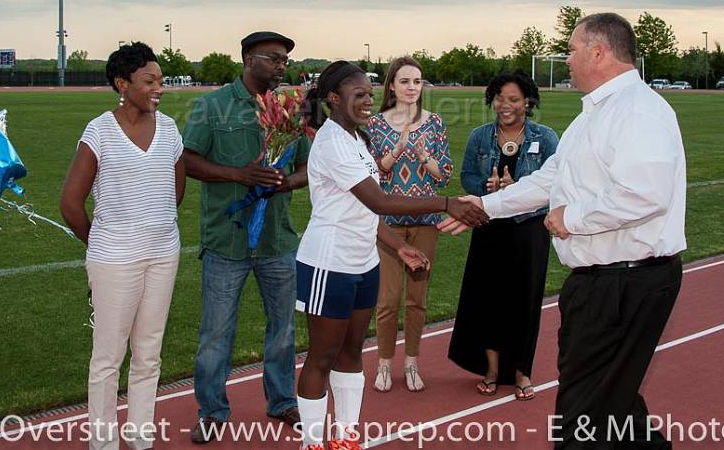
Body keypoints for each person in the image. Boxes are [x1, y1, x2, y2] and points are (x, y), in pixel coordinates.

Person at [441, 13, 686, 450]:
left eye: (571, 50)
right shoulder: (592, 116)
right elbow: (548, 180)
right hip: (603, 282)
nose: (566, 59)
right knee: (615, 403)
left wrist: (570, 219)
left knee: (581, 414)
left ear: (599, 52)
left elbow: (647, 194)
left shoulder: (639, 111)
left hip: (625, 282)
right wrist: (484, 207)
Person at [294, 61, 488, 450]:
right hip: (328, 263)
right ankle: (312, 442)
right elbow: (380, 201)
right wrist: (446, 202)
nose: (368, 100)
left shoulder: (357, 137)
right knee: (321, 356)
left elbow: (366, 210)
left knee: (351, 352)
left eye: (369, 92)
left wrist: (399, 246)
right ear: (334, 99)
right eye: (358, 94)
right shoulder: (331, 141)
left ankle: (345, 436)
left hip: (362, 261)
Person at [181, 31, 310, 443]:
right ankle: (212, 411)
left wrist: (283, 183)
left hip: (277, 240)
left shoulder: (289, 110)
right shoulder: (211, 106)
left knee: (283, 329)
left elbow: (309, 168)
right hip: (226, 241)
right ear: (248, 59)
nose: (281, 68)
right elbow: (187, 160)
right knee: (216, 332)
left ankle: (281, 400)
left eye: (285, 62)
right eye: (274, 59)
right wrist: (240, 175)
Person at [59, 42, 186, 450]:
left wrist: (154, 226)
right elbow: (70, 204)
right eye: (149, 81)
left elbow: (175, 190)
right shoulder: (99, 131)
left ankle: (141, 435)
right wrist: (102, 241)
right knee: (108, 357)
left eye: (161, 81)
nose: (158, 89)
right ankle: (103, 441)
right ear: (122, 83)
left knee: (149, 351)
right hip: (115, 259)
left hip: (163, 253)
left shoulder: (169, 129)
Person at [447, 70, 558, 400]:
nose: (505, 105)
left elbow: (557, 180)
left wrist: (517, 189)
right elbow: (468, 175)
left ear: (528, 102)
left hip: (529, 229)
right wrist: (487, 189)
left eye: (513, 99)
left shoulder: (547, 137)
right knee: (489, 300)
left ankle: (522, 372)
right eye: (500, 98)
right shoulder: (480, 137)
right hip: (489, 227)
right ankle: (493, 370)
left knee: (524, 300)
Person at [366, 56, 453, 393]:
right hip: (388, 225)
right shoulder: (375, 125)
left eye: (417, 82)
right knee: (387, 300)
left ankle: (412, 363)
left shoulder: (435, 124)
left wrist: (422, 157)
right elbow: (372, 175)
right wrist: (396, 150)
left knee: (417, 299)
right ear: (391, 85)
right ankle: (384, 364)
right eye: (404, 81)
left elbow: (443, 176)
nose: (411, 88)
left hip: (425, 221)